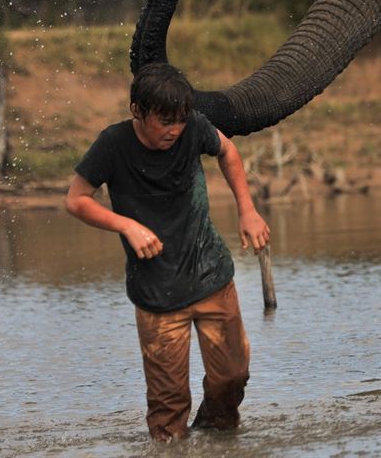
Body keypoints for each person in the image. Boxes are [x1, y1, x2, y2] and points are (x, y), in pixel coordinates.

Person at [65, 62, 271, 440]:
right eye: (164, 121)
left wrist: (247, 210)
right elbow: (76, 200)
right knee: (168, 408)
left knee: (232, 378)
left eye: (179, 120)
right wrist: (125, 225)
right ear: (138, 112)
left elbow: (227, 151)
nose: (174, 130)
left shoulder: (193, 128)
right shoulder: (112, 145)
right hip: (157, 295)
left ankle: (218, 441)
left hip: (211, 277)